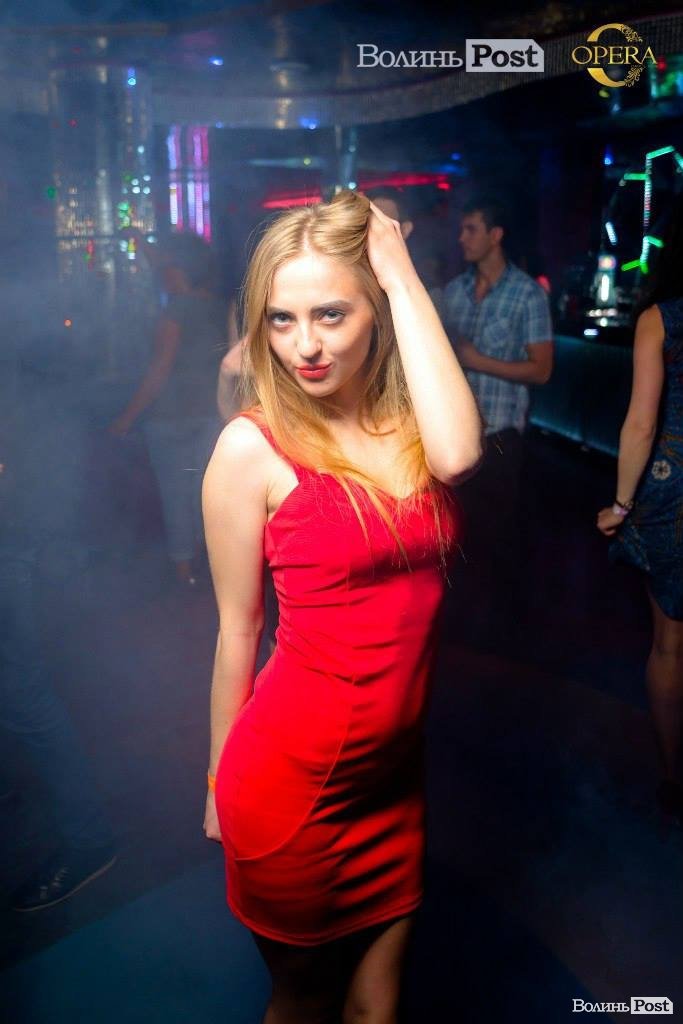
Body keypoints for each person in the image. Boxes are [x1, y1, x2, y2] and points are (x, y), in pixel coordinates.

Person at [201, 189, 482, 1023]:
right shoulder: (249, 448)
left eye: (330, 313)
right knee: (302, 1006)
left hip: (392, 782)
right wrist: (216, 781)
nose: (305, 345)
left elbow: (459, 454)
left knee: (377, 1009)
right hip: (291, 791)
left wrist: (396, 268)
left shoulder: (412, 424)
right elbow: (237, 632)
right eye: (280, 320)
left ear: (376, 308)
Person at [597, 197, 683, 825]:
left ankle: (676, 780)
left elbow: (641, 423)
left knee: (670, 646)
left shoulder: (661, 318)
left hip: (674, 491)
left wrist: (621, 505)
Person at [440, 194, 554, 650]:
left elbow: (542, 369)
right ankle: (458, 633)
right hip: (454, 436)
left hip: (501, 437)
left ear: (495, 235)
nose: (461, 238)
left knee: (498, 540)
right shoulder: (453, 292)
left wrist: (477, 360)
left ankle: (500, 639)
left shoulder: (527, 294)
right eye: (461, 229)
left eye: (471, 229)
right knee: (453, 536)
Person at [109, 233, 226, 587]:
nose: (161, 272)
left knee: (176, 494)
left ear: (182, 269)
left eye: (168, 266)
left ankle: (184, 573)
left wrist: (126, 419)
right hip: (212, 414)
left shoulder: (176, 309)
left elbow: (160, 369)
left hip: (172, 418)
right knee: (206, 494)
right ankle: (215, 569)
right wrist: (139, 240)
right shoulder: (219, 305)